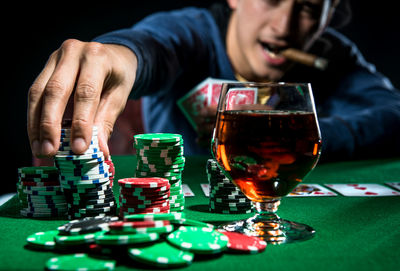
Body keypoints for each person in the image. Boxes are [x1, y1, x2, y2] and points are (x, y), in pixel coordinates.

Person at [27, 0, 400, 162]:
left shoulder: (333, 54)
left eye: (307, 7)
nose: (283, 28)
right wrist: (117, 55)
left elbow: (393, 113)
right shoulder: (191, 33)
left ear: (329, 13)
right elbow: (152, 47)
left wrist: (304, 135)